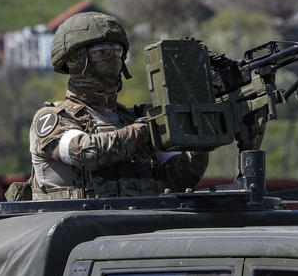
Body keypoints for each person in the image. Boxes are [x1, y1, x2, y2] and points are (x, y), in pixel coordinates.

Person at [26, 11, 208, 200]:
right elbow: (86, 152)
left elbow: (180, 179)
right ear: (76, 60)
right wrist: (144, 129)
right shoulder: (54, 118)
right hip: (79, 226)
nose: (112, 58)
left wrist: (197, 139)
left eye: (117, 51)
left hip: (142, 225)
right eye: (102, 52)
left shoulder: (131, 118)